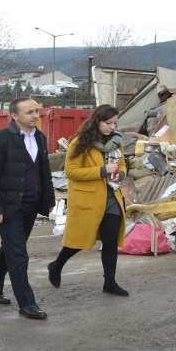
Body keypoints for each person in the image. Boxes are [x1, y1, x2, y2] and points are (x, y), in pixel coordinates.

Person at [0, 98, 55, 320]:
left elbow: (44, 172)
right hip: (8, 207)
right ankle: (27, 303)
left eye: (37, 111)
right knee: (18, 254)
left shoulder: (40, 138)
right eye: (30, 112)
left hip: (32, 205)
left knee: (13, 248)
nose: (35, 115)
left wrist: (48, 201)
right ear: (14, 116)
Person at [47, 104, 129, 297]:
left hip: (112, 198)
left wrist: (121, 174)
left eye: (115, 123)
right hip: (88, 199)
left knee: (110, 242)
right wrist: (102, 171)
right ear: (96, 121)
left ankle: (110, 282)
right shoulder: (80, 143)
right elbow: (71, 172)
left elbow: (123, 164)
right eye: (108, 123)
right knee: (79, 241)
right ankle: (56, 265)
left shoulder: (116, 142)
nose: (112, 127)